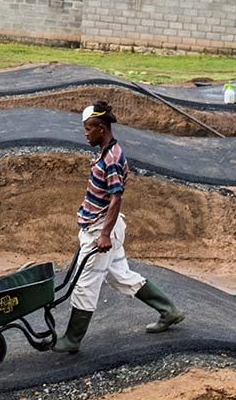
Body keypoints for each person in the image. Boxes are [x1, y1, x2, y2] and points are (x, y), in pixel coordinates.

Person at [53, 101, 184, 353]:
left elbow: (116, 198)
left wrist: (103, 235)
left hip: (102, 229)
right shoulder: (104, 152)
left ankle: (72, 339)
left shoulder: (111, 159)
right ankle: (170, 311)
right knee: (121, 276)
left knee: (85, 283)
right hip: (101, 225)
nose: (85, 133)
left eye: (89, 129)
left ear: (101, 128)